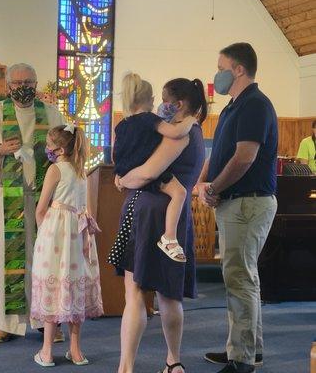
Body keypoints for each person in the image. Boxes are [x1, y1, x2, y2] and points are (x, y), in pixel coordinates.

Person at [111, 78, 207, 373]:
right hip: (175, 218)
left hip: (148, 211)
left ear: (177, 105)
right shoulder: (198, 131)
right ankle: (173, 361)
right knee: (169, 293)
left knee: (136, 292)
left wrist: (123, 179)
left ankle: (125, 368)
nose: (160, 106)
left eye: (164, 100)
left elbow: (146, 173)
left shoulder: (177, 134)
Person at [0, 63, 66, 342]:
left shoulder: (51, 113)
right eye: (18, 82)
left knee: (46, 260)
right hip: (6, 201)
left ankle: (48, 322)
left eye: (29, 81)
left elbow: (67, 149)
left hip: (43, 200)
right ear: (7, 85)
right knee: (5, 260)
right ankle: (6, 322)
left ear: (37, 84)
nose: (24, 87)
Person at [198, 43, 278, 373]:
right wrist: (202, 183)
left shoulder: (255, 105)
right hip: (237, 201)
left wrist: (214, 187)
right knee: (246, 277)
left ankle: (242, 359)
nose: (216, 73)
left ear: (239, 70)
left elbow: (244, 157)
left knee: (239, 279)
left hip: (248, 201)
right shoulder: (234, 106)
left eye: (221, 66)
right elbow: (219, 153)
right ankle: (248, 348)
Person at [30, 124, 103, 367]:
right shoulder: (80, 170)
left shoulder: (56, 169)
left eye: (50, 146)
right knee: (74, 288)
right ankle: (76, 350)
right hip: (78, 233)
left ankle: (47, 352)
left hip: (56, 233)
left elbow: (41, 208)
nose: (47, 150)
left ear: (60, 149)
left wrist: (44, 233)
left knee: (54, 286)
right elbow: (85, 209)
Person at [110, 73, 197, 264]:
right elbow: (175, 132)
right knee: (180, 193)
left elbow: (115, 154)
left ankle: (169, 238)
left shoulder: (121, 125)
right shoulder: (149, 119)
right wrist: (190, 120)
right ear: (150, 100)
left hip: (126, 173)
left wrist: (119, 174)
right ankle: (169, 237)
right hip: (149, 174)